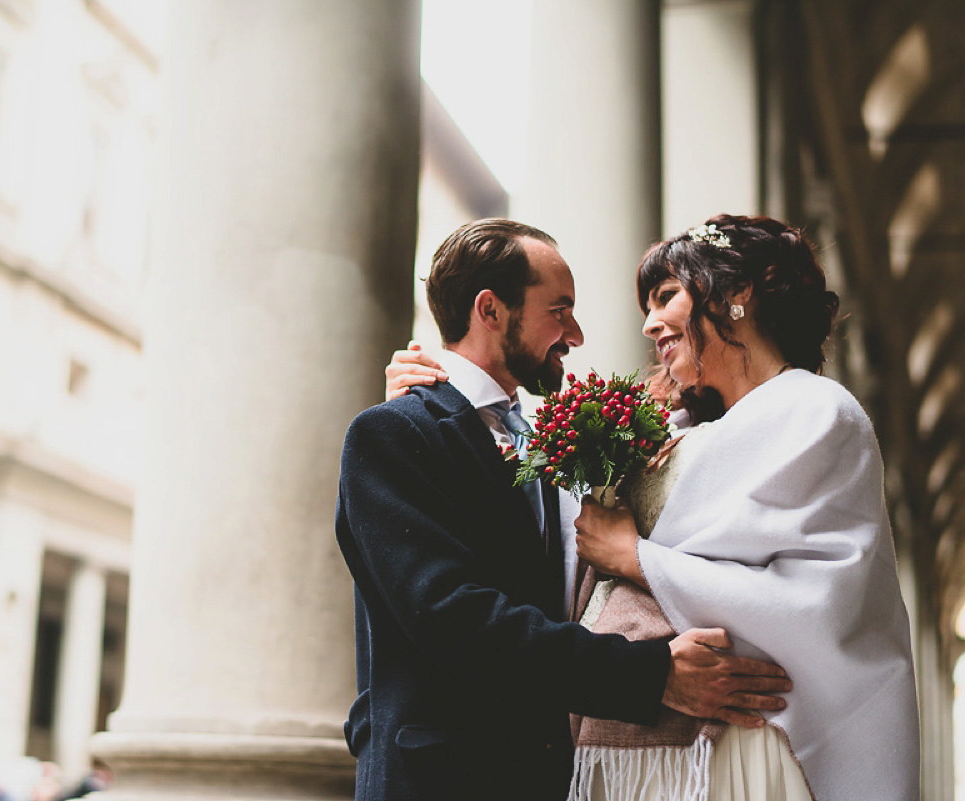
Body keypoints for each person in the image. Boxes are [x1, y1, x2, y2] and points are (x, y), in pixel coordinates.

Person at [387, 215, 920, 800]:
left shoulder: (817, 411)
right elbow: (544, 539)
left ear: (737, 295)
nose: (649, 322)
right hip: (630, 753)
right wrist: (436, 406)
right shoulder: (662, 434)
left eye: (667, 296)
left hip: (746, 741)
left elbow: (822, 601)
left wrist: (637, 559)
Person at [337, 218, 791, 801]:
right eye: (560, 310)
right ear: (490, 310)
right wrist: (652, 676)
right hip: (443, 778)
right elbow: (451, 617)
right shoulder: (394, 434)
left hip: (549, 777)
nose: (575, 334)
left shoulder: (553, 439)